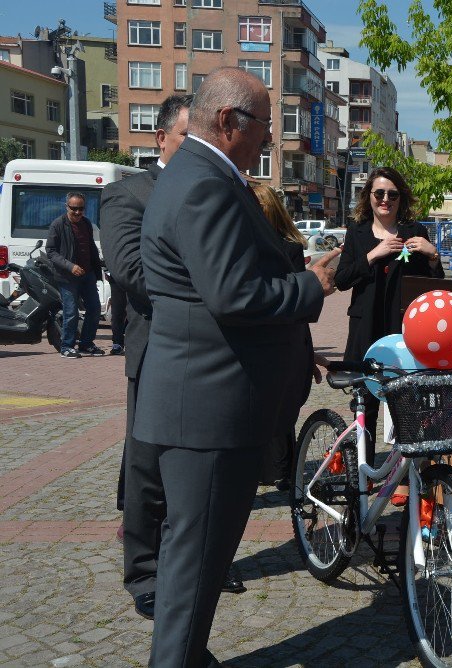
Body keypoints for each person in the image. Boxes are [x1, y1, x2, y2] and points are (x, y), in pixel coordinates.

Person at [133, 67, 337, 667]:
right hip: (208, 411)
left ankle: (188, 654)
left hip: (204, 405)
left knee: (194, 557)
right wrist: (309, 285)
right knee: (196, 562)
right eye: (266, 126)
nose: (270, 139)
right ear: (229, 122)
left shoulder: (197, 175)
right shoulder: (205, 183)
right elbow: (234, 295)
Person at [102, 94, 246, 621]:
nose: (197, 147)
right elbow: (130, 271)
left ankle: (198, 564)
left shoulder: (224, 187)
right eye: (187, 137)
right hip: (158, 346)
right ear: (161, 138)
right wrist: (207, 292)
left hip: (215, 357)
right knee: (147, 468)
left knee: (201, 478)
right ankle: (144, 571)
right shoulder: (129, 195)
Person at [334, 166, 444, 463]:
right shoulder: (357, 233)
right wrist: (373, 254)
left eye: (392, 194)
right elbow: (341, 279)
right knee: (365, 404)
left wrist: (433, 254)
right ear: (368, 196)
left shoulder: (414, 232)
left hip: (402, 330)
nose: (385, 199)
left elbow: (433, 287)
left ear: (400, 198)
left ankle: (408, 481)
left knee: (407, 405)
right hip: (366, 327)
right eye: (379, 193)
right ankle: (363, 475)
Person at [252, 183, 338, 489]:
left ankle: (282, 470)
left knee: (280, 410)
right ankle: (273, 470)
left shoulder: (285, 246)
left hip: (286, 335)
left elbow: (292, 300)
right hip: (273, 338)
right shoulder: (251, 243)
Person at [46, 192, 104, 358]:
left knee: (94, 309)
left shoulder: (86, 223)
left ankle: (86, 344)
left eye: (81, 208)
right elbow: (50, 251)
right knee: (71, 312)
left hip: (88, 275)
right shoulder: (58, 224)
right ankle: (66, 346)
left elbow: (90, 247)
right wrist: (70, 266)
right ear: (67, 207)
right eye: (74, 209)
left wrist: (98, 266)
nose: (78, 212)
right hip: (67, 277)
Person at [107, 275, 126, 356]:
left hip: (136, 276)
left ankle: (137, 344)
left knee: (136, 314)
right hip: (117, 277)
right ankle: (117, 344)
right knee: (117, 313)